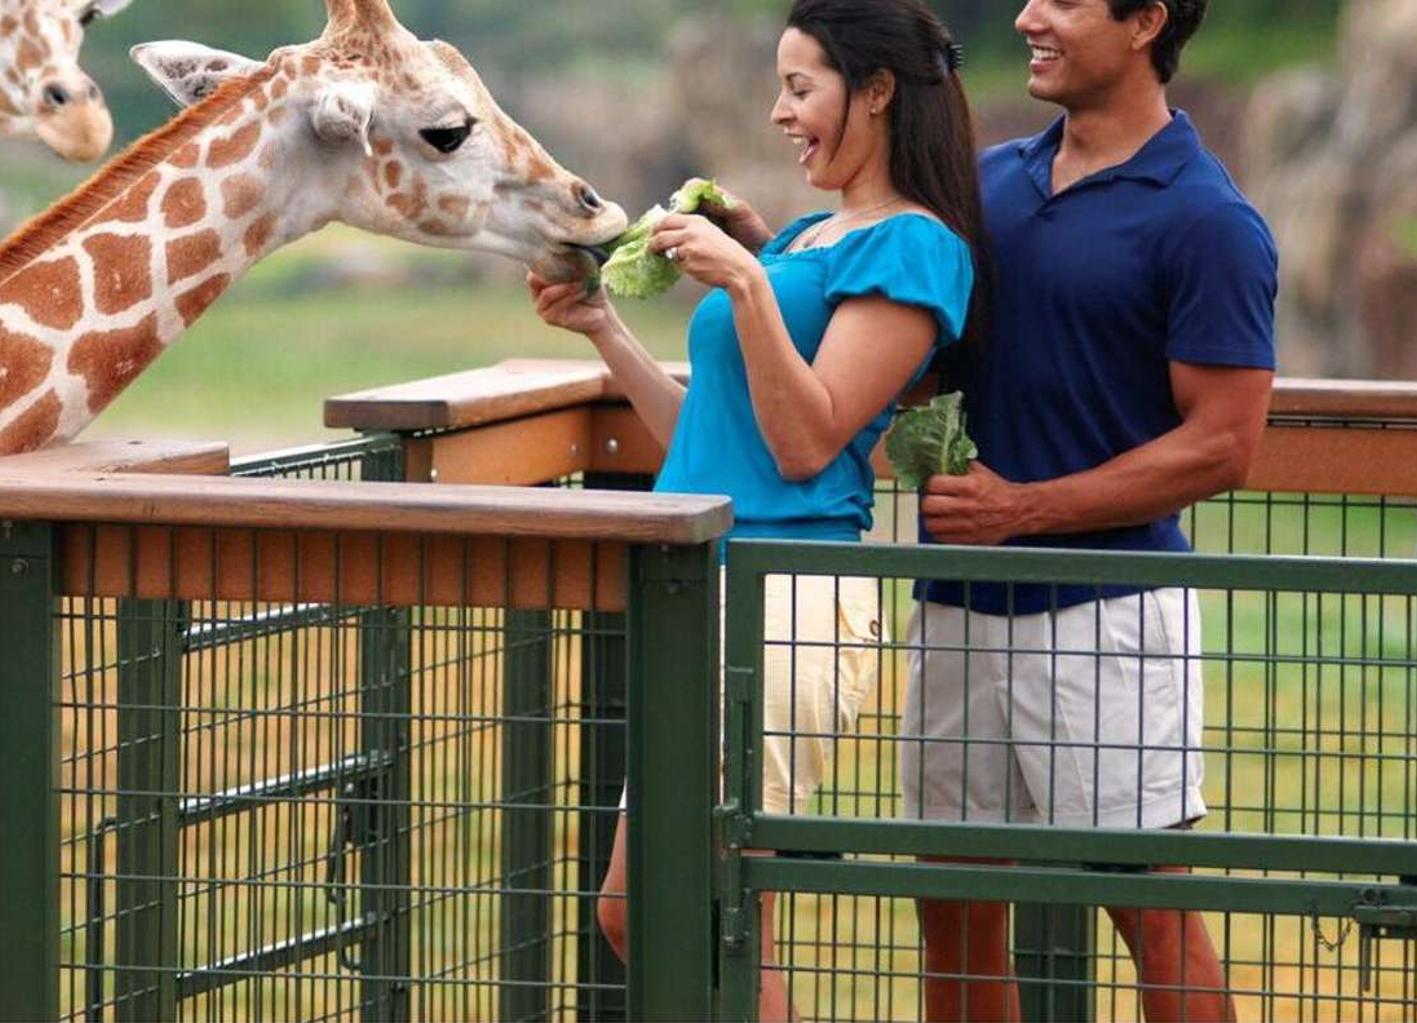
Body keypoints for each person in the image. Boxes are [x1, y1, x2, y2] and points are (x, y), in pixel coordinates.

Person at [528, 0, 979, 1017]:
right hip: (707, 586)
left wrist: (743, 279)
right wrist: (605, 329)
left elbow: (808, 438)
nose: (779, 112)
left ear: (874, 93)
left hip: (783, 602)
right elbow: (710, 432)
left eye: (799, 86)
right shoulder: (813, 234)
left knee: (704, 907)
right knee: (652, 909)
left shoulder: (915, 248)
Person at [905, 1, 1276, 1020]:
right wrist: (768, 258)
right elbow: (901, 331)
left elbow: (1221, 443)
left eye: (1061, 0)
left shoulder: (1206, 219)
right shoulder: (986, 186)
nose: (1026, 16)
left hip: (1107, 619)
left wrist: (1021, 509)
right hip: (955, 601)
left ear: (1145, 20)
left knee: (1147, 916)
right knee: (952, 907)